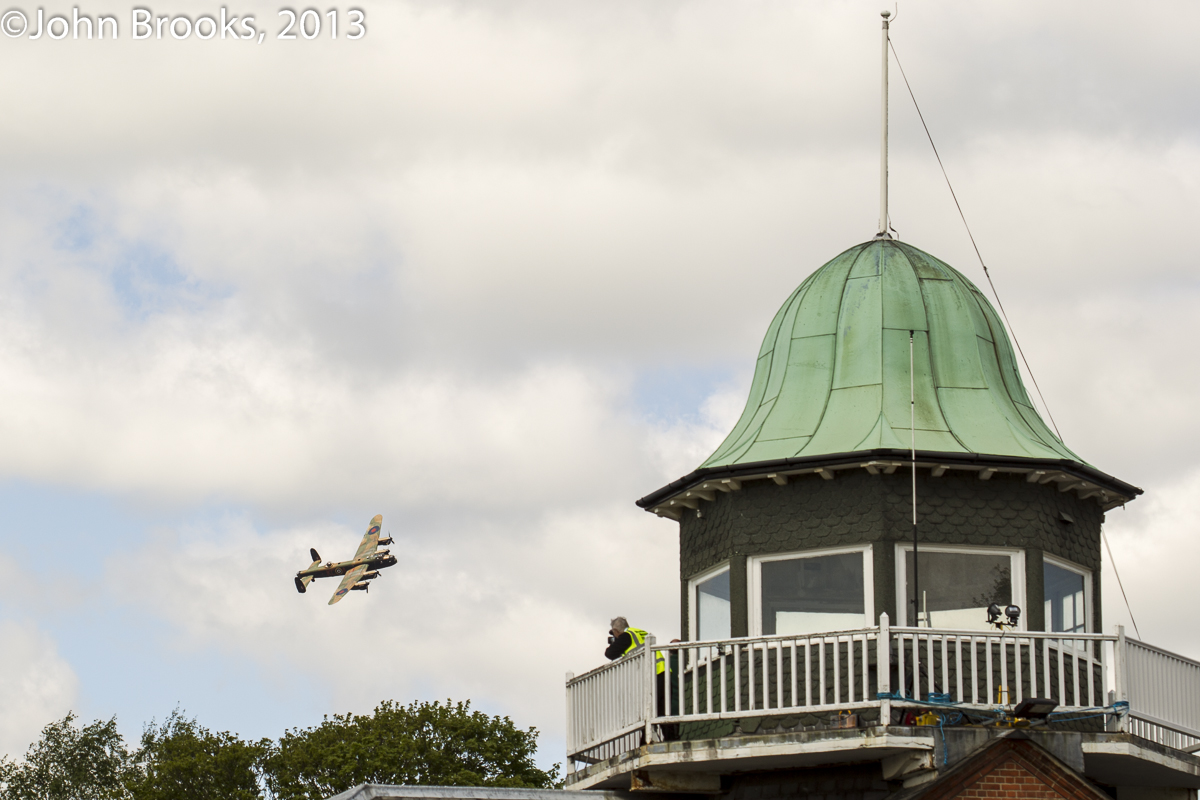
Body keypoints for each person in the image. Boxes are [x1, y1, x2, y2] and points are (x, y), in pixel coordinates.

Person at [605, 617, 677, 740]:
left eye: (614, 633)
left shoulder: (626, 636)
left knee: (649, 708)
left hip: (652, 675)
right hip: (663, 672)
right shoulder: (638, 632)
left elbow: (609, 653)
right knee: (662, 709)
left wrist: (614, 643)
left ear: (616, 631)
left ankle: (646, 740)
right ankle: (671, 738)